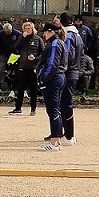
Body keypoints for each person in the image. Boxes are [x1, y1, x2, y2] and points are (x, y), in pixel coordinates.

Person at [37, 21, 67, 150]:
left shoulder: (54, 44)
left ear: (50, 31)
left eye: (44, 32)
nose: (43, 34)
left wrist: (43, 78)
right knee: (55, 110)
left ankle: (54, 142)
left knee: (53, 110)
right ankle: (57, 140)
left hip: (53, 79)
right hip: (58, 78)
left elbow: (52, 64)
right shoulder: (59, 42)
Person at [59, 12, 84, 145]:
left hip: (68, 72)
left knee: (65, 104)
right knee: (65, 103)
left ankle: (68, 135)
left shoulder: (68, 35)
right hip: (74, 71)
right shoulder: (77, 35)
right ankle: (67, 133)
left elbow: (67, 55)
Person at [9, 21, 41, 115]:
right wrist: (22, 38)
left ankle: (33, 109)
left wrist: (35, 58)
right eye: (25, 29)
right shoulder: (21, 38)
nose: (27, 30)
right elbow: (15, 48)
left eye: (29, 28)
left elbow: (43, 53)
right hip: (22, 66)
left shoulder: (38, 39)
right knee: (20, 88)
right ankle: (18, 108)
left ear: (32, 29)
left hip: (33, 67)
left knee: (33, 89)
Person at [0, 21, 22, 96]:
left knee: (15, 71)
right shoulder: (1, 34)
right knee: (2, 68)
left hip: (15, 55)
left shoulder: (17, 34)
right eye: (6, 32)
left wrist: (18, 52)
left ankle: (15, 88)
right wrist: (1, 52)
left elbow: (21, 43)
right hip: (5, 54)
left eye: (9, 32)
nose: (8, 33)